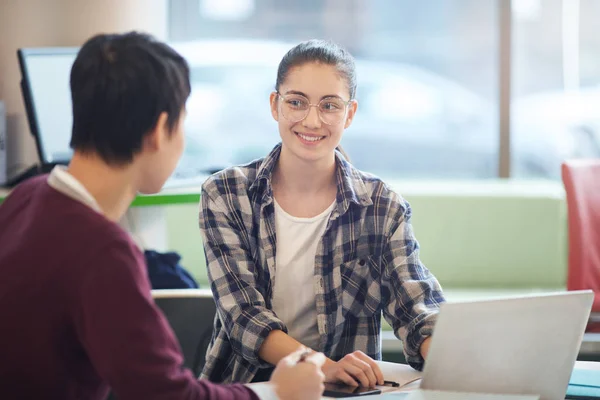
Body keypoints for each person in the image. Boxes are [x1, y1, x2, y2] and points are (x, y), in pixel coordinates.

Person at [0, 32, 326, 400]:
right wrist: (276, 392)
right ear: (159, 131)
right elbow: (168, 395)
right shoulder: (102, 251)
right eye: (181, 122)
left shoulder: (25, 198)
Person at [198, 39, 446, 387]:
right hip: (247, 387)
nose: (312, 121)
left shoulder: (381, 206)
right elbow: (244, 318)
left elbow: (416, 308)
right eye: (296, 103)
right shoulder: (226, 194)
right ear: (275, 105)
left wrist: (456, 359)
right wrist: (324, 366)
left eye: (330, 106)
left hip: (344, 393)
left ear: (350, 113)